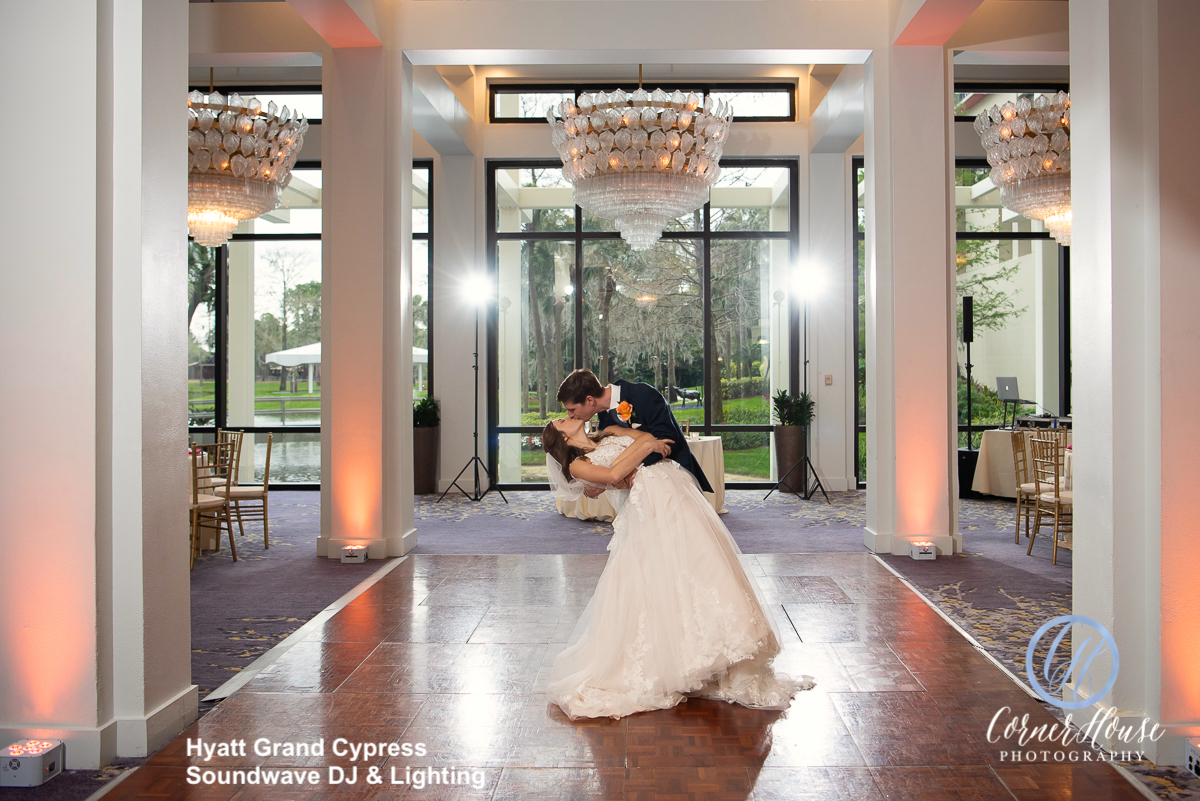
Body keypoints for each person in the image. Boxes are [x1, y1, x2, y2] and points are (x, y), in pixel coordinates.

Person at [540, 416, 814, 720]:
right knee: (660, 575)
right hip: (650, 505)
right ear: (561, 438)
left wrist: (639, 447)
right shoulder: (578, 464)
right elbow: (622, 465)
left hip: (673, 490)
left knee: (701, 564)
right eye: (562, 420)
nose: (571, 415)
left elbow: (643, 442)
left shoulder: (606, 435)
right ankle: (675, 660)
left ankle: (720, 649)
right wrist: (643, 449)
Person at [557, 369, 713, 498]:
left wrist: (630, 470)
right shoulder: (603, 416)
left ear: (590, 400)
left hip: (672, 476)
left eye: (572, 409)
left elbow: (668, 438)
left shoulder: (643, 394)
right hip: (638, 488)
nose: (570, 415)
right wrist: (594, 484)